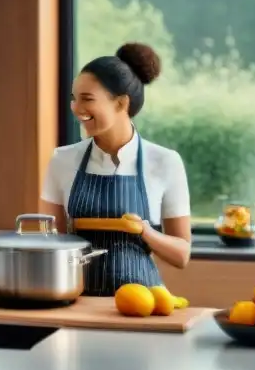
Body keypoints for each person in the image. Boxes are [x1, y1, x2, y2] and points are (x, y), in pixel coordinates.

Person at [39, 43, 191, 296]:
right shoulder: (62, 160)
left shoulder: (165, 162)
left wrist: (146, 231)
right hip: (76, 301)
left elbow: (182, 255)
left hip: (143, 305)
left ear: (121, 103)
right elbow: (47, 241)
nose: (76, 108)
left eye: (87, 99)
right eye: (73, 98)